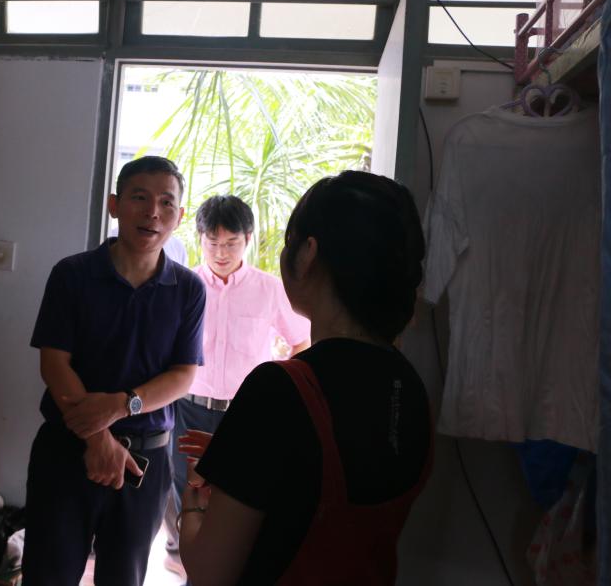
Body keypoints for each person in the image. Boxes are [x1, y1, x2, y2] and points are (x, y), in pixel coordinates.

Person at [178, 171, 434, 586]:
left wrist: (192, 507)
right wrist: (246, 456)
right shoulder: (410, 385)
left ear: (308, 254)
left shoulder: (279, 389)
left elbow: (210, 572)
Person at [22, 156, 206, 586]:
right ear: (114, 205)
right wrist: (98, 439)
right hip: (66, 452)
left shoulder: (188, 290)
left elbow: (183, 374)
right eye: (139, 197)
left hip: (145, 463)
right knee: (47, 576)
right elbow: (54, 363)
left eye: (166, 202)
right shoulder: (72, 275)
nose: (153, 212)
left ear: (179, 215)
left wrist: (124, 405)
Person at [163, 195, 310, 575]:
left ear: (248, 239)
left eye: (231, 243)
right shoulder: (182, 285)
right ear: (199, 239)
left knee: (241, 498)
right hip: (189, 408)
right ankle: (190, 571)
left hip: (245, 414)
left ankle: (231, 574)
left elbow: (301, 341)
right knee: (188, 494)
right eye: (212, 242)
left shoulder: (269, 289)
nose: (221, 252)